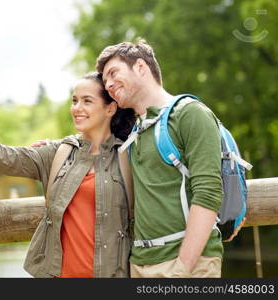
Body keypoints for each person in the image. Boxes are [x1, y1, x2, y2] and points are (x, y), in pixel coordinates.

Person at [0, 72, 135, 278]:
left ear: (110, 108)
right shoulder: (58, 153)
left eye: (87, 101)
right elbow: (1, 157)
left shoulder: (130, 156)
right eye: (74, 101)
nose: (77, 108)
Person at [96, 38, 224, 278]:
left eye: (113, 73)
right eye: (105, 82)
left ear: (141, 68)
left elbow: (208, 193)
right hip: (141, 265)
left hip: (188, 265)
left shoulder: (190, 114)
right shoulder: (135, 131)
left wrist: (181, 270)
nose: (109, 85)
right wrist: (52, 149)